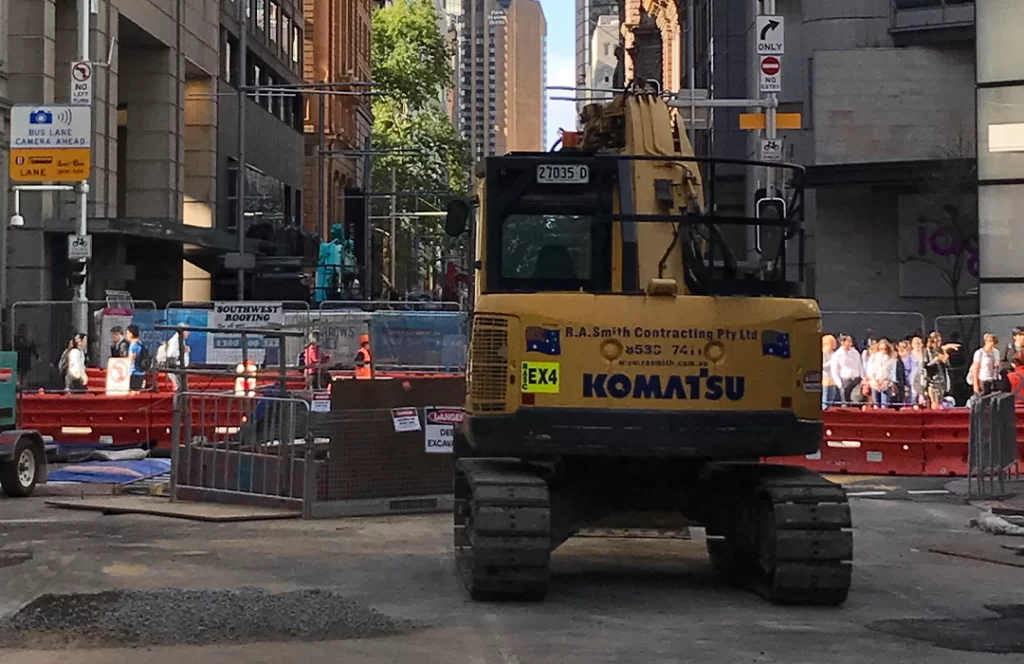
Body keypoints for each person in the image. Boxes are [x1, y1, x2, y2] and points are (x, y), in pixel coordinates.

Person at [923, 331, 956, 409]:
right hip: (932, 381)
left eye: (940, 341)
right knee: (934, 401)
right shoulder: (927, 351)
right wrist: (937, 359)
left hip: (942, 380)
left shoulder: (940, 350)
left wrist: (946, 359)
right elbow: (926, 366)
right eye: (936, 341)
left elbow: (947, 366)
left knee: (940, 401)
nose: (938, 343)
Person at [830, 335, 863, 405]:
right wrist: (840, 384)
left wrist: (862, 377)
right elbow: (835, 371)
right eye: (848, 341)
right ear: (842, 342)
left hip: (856, 380)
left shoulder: (855, 352)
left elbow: (860, 365)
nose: (850, 343)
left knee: (856, 401)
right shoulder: (837, 355)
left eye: (851, 341)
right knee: (845, 403)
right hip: (845, 381)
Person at [157, 324, 190, 391]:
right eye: (187, 331)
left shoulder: (180, 340)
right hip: (177, 367)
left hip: (180, 367)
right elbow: (171, 354)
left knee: (183, 388)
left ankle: (182, 397)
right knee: (180, 388)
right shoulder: (175, 340)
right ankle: (179, 397)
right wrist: (183, 351)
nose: (189, 333)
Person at [867, 338, 898, 407]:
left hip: (886, 384)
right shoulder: (873, 357)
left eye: (885, 349)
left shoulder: (892, 359)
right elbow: (870, 370)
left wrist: (887, 381)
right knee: (876, 405)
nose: (883, 351)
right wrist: (874, 381)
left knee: (884, 405)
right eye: (881, 349)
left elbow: (893, 372)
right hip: (875, 383)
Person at [126, 324, 147, 392]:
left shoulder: (133, 346)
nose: (126, 335)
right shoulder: (140, 343)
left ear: (131, 334)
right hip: (141, 372)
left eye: (127, 333)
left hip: (134, 373)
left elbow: (130, 360)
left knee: (132, 392)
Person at [821, 334, 839, 408]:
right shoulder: (823, 353)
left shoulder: (834, 354)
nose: (835, 344)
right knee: (825, 400)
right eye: (833, 342)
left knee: (831, 401)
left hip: (832, 379)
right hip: (825, 379)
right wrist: (832, 362)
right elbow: (822, 366)